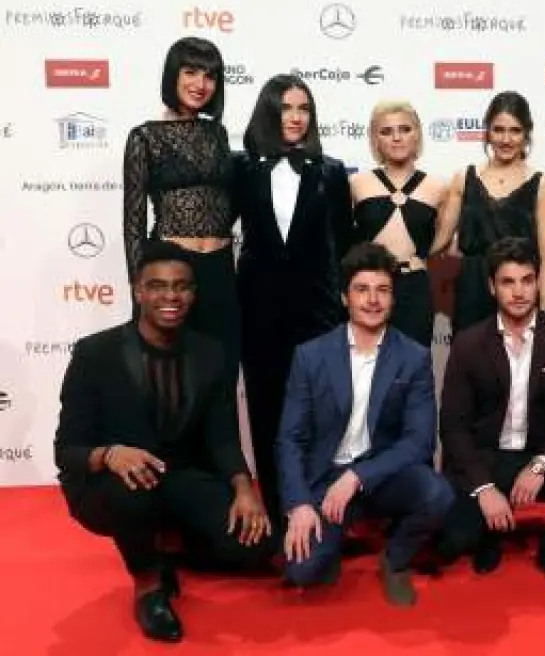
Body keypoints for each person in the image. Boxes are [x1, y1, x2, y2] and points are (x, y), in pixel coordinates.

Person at [54, 241, 273, 643]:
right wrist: (110, 454)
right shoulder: (96, 353)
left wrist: (245, 488)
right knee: (132, 490)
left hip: (175, 477)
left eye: (181, 286)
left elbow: (222, 434)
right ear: (138, 291)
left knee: (255, 546)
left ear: (193, 293)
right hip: (112, 486)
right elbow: (66, 450)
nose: (170, 296)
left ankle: (163, 547)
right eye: (157, 286)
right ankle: (148, 586)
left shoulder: (210, 353)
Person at [276, 242, 455, 606]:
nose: (372, 300)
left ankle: (395, 559)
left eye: (382, 290)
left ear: (393, 299)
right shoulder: (311, 356)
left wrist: (358, 476)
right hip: (326, 478)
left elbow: (419, 440)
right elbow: (290, 439)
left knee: (437, 494)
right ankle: (332, 541)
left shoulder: (414, 357)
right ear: (345, 298)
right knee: (302, 572)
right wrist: (299, 505)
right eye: (362, 290)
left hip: (382, 476)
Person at [437, 237, 545, 595]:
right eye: (508, 282)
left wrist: (542, 464)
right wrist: (484, 488)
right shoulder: (468, 343)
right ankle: (488, 533)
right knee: (454, 540)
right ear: (492, 287)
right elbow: (453, 426)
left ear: (538, 281)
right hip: (488, 458)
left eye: (527, 280)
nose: (518, 292)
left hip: (540, 454)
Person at [234, 73, 353, 522]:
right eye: (286, 108)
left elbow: (342, 246)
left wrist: (340, 308)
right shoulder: (242, 169)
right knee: (266, 412)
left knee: (319, 414)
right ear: (269, 112)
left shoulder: (331, 171)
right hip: (258, 310)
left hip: (317, 312)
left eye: (304, 109)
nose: (296, 117)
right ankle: (276, 513)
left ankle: (319, 511)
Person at [123, 37, 239, 370]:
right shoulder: (144, 137)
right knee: (169, 372)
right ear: (173, 75)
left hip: (220, 268)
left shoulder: (218, 134)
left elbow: (228, 202)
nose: (200, 84)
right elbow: (133, 222)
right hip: (172, 267)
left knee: (222, 368)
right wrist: (141, 285)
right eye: (191, 72)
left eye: (209, 76)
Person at [434, 91, 545, 332]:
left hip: (519, 289)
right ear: (487, 132)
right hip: (472, 288)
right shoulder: (463, 178)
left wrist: (544, 310)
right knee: (470, 354)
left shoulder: (541, 184)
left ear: (527, 134)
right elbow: (440, 241)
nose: (506, 139)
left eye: (515, 131)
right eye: (498, 130)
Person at [350, 100, 446, 348]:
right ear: (375, 139)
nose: (396, 138)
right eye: (386, 131)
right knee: (366, 360)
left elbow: (443, 241)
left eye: (405, 129)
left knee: (414, 362)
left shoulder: (438, 188)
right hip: (369, 285)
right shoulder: (357, 184)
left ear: (417, 134)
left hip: (414, 286)